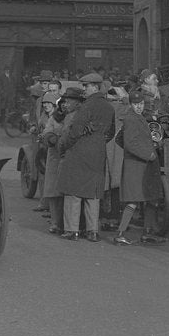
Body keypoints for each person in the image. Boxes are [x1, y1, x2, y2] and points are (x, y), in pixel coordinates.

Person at [56, 73, 116, 242]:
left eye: (86, 86)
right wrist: (98, 141)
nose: (84, 89)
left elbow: (75, 132)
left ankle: (72, 230)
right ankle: (92, 231)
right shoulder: (109, 107)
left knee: (73, 192)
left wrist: (64, 146)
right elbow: (111, 132)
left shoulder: (86, 106)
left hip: (79, 151)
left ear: (95, 87)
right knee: (93, 193)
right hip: (98, 151)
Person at [114, 90, 164, 245]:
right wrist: (148, 154)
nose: (139, 107)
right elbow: (129, 144)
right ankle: (121, 234)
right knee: (134, 201)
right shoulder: (132, 119)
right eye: (136, 104)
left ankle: (146, 233)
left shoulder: (135, 118)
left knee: (147, 199)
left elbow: (119, 139)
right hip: (138, 166)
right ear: (131, 104)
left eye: (141, 104)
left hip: (138, 165)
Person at [38, 91, 67, 234]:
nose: (64, 106)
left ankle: (67, 223)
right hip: (54, 158)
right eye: (62, 104)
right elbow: (46, 133)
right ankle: (55, 223)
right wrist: (52, 138)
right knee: (54, 193)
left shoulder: (74, 117)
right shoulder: (53, 118)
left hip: (68, 158)